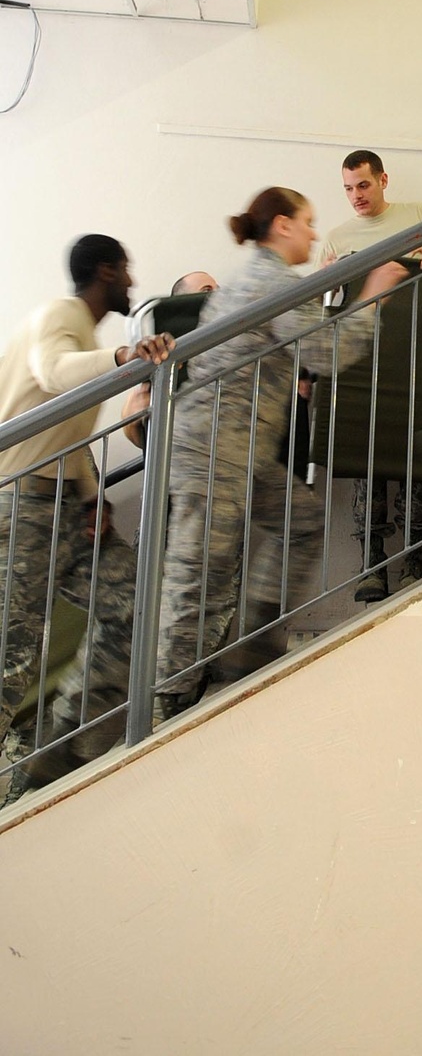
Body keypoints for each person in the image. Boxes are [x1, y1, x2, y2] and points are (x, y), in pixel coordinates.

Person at [156, 187, 392, 718]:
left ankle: (257, 639)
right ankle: (168, 694)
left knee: (301, 520)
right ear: (282, 226)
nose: (314, 232)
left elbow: (301, 348)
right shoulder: (272, 280)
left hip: (243, 447)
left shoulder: (265, 279)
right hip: (213, 446)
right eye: (307, 222)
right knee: (199, 567)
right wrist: (375, 293)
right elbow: (327, 351)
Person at [0, 234, 173, 795]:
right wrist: (124, 358)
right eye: (125, 269)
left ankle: (65, 747)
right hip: (21, 505)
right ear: (105, 271)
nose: (131, 280)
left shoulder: (81, 329)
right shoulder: (58, 315)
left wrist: (92, 492)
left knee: (135, 607)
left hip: (66, 508)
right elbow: (52, 373)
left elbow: (61, 425)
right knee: (12, 658)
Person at [317, 150, 422, 603]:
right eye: (347, 188)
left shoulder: (418, 215)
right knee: (368, 458)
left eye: (363, 185)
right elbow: (324, 299)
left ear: (382, 180)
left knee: (418, 456)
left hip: (421, 354)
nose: (356, 196)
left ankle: (415, 558)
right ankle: (371, 563)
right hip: (365, 360)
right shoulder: (338, 238)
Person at [122, 271, 218, 450]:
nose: (215, 297)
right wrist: (134, 420)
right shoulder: (163, 353)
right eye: (206, 290)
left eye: (218, 291)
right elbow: (135, 426)